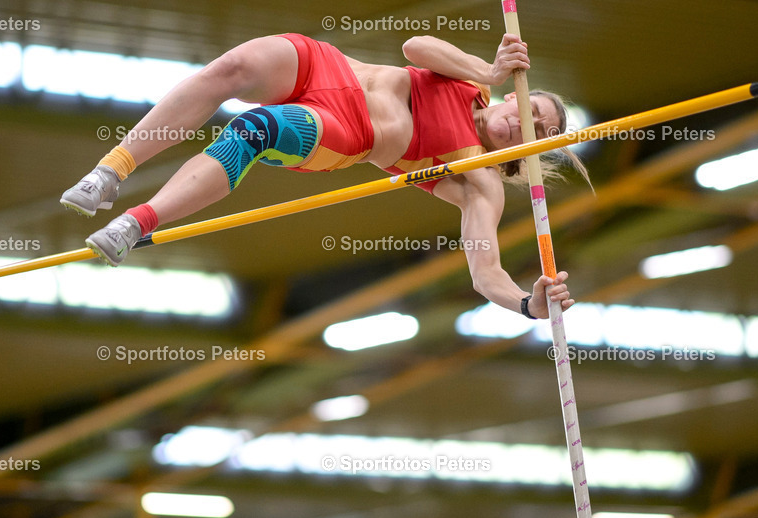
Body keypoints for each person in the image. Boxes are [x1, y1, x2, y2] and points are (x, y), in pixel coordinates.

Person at [60, 32, 586, 319]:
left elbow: (483, 271)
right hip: (327, 67)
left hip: (344, 129)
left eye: (536, 130)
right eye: (528, 104)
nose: (524, 119)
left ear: (528, 153)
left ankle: (135, 223)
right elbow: (415, 48)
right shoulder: (475, 81)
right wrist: (488, 72)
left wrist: (526, 304)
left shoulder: (479, 180)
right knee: (228, 71)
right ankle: (111, 171)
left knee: (254, 129)